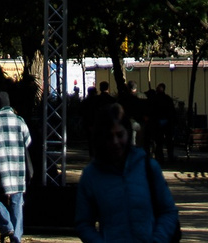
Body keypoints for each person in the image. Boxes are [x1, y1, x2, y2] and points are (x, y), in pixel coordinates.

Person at [76, 99, 179, 243]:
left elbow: (168, 211)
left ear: (128, 134)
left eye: (119, 135)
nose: (115, 142)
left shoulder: (148, 167)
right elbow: (83, 223)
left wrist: (158, 239)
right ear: (100, 138)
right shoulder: (91, 175)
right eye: (109, 136)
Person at [0, 89, 34, 242]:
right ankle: (17, 236)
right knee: (17, 200)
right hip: (18, 167)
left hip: (0, 166)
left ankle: (7, 226)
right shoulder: (20, 121)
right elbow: (28, 141)